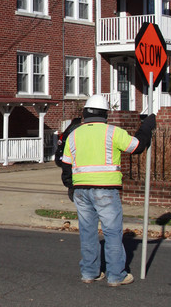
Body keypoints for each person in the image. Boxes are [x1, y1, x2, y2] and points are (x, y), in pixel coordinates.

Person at [61, 95, 156, 287]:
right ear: (106, 114)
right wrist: (147, 126)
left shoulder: (74, 135)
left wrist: (71, 186)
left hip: (81, 191)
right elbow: (137, 146)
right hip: (105, 190)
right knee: (112, 233)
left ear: (85, 113)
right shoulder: (112, 132)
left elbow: (66, 166)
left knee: (87, 232)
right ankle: (116, 276)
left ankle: (89, 273)